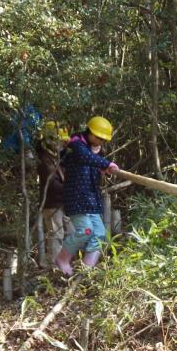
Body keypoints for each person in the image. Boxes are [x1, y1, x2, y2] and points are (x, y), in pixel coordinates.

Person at [55, 116, 122, 276]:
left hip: (91, 199)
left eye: (103, 139)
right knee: (85, 230)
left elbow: (92, 163)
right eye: (98, 137)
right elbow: (84, 157)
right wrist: (106, 164)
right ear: (90, 132)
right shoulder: (76, 144)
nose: (100, 141)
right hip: (76, 198)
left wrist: (102, 169)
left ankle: (86, 271)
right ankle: (63, 259)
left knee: (99, 234)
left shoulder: (94, 150)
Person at [35, 121, 72, 267]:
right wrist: (70, 189)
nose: (63, 144)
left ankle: (63, 261)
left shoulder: (55, 158)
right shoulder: (45, 160)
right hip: (51, 204)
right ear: (50, 140)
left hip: (61, 202)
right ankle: (55, 266)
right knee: (56, 234)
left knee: (71, 231)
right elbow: (53, 185)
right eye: (60, 141)